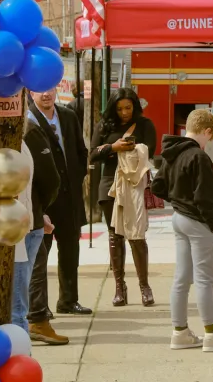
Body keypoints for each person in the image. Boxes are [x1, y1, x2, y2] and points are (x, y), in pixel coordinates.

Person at [152, 109, 213, 352]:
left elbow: (157, 186)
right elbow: (205, 198)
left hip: (178, 217)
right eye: (210, 138)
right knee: (204, 281)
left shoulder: (171, 152)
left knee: (181, 278)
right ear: (207, 131)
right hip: (197, 221)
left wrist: (177, 198)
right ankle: (212, 334)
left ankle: (179, 332)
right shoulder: (198, 157)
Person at [27, 88, 92, 322]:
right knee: (39, 256)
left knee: (70, 250)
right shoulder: (28, 119)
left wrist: (77, 176)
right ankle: (38, 306)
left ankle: (68, 300)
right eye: (39, 90)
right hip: (43, 199)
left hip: (69, 196)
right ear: (30, 92)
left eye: (50, 88)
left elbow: (80, 150)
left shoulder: (68, 116)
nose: (46, 94)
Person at [90, 87, 158, 307]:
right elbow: (91, 154)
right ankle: (120, 288)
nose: (124, 112)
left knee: (136, 235)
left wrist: (128, 149)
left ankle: (144, 286)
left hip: (134, 184)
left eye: (128, 107)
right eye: (120, 108)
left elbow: (152, 151)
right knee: (114, 235)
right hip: (109, 183)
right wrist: (113, 146)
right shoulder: (105, 125)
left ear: (135, 106)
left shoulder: (145, 124)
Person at [13, 120, 60, 334]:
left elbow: (49, 179)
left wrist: (38, 211)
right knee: (16, 305)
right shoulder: (27, 130)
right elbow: (50, 179)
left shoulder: (29, 131)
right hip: (21, 224)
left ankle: (34, 324)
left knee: (17, 304)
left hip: (27, 223)